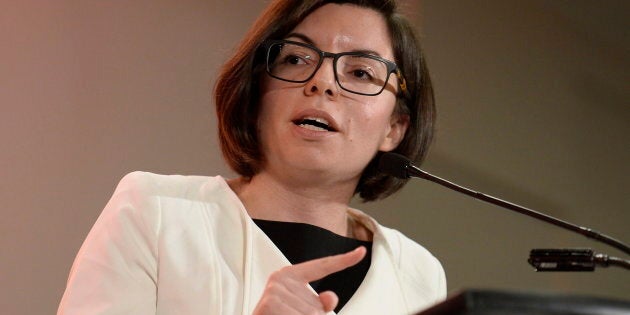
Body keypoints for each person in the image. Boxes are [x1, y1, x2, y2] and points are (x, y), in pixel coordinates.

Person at [57, 0, 446, 314]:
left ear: (395, 127)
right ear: (255, 92)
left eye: (361, 72)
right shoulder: (156, 212)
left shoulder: (416, 273)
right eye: (295, 59)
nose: (322, 82)